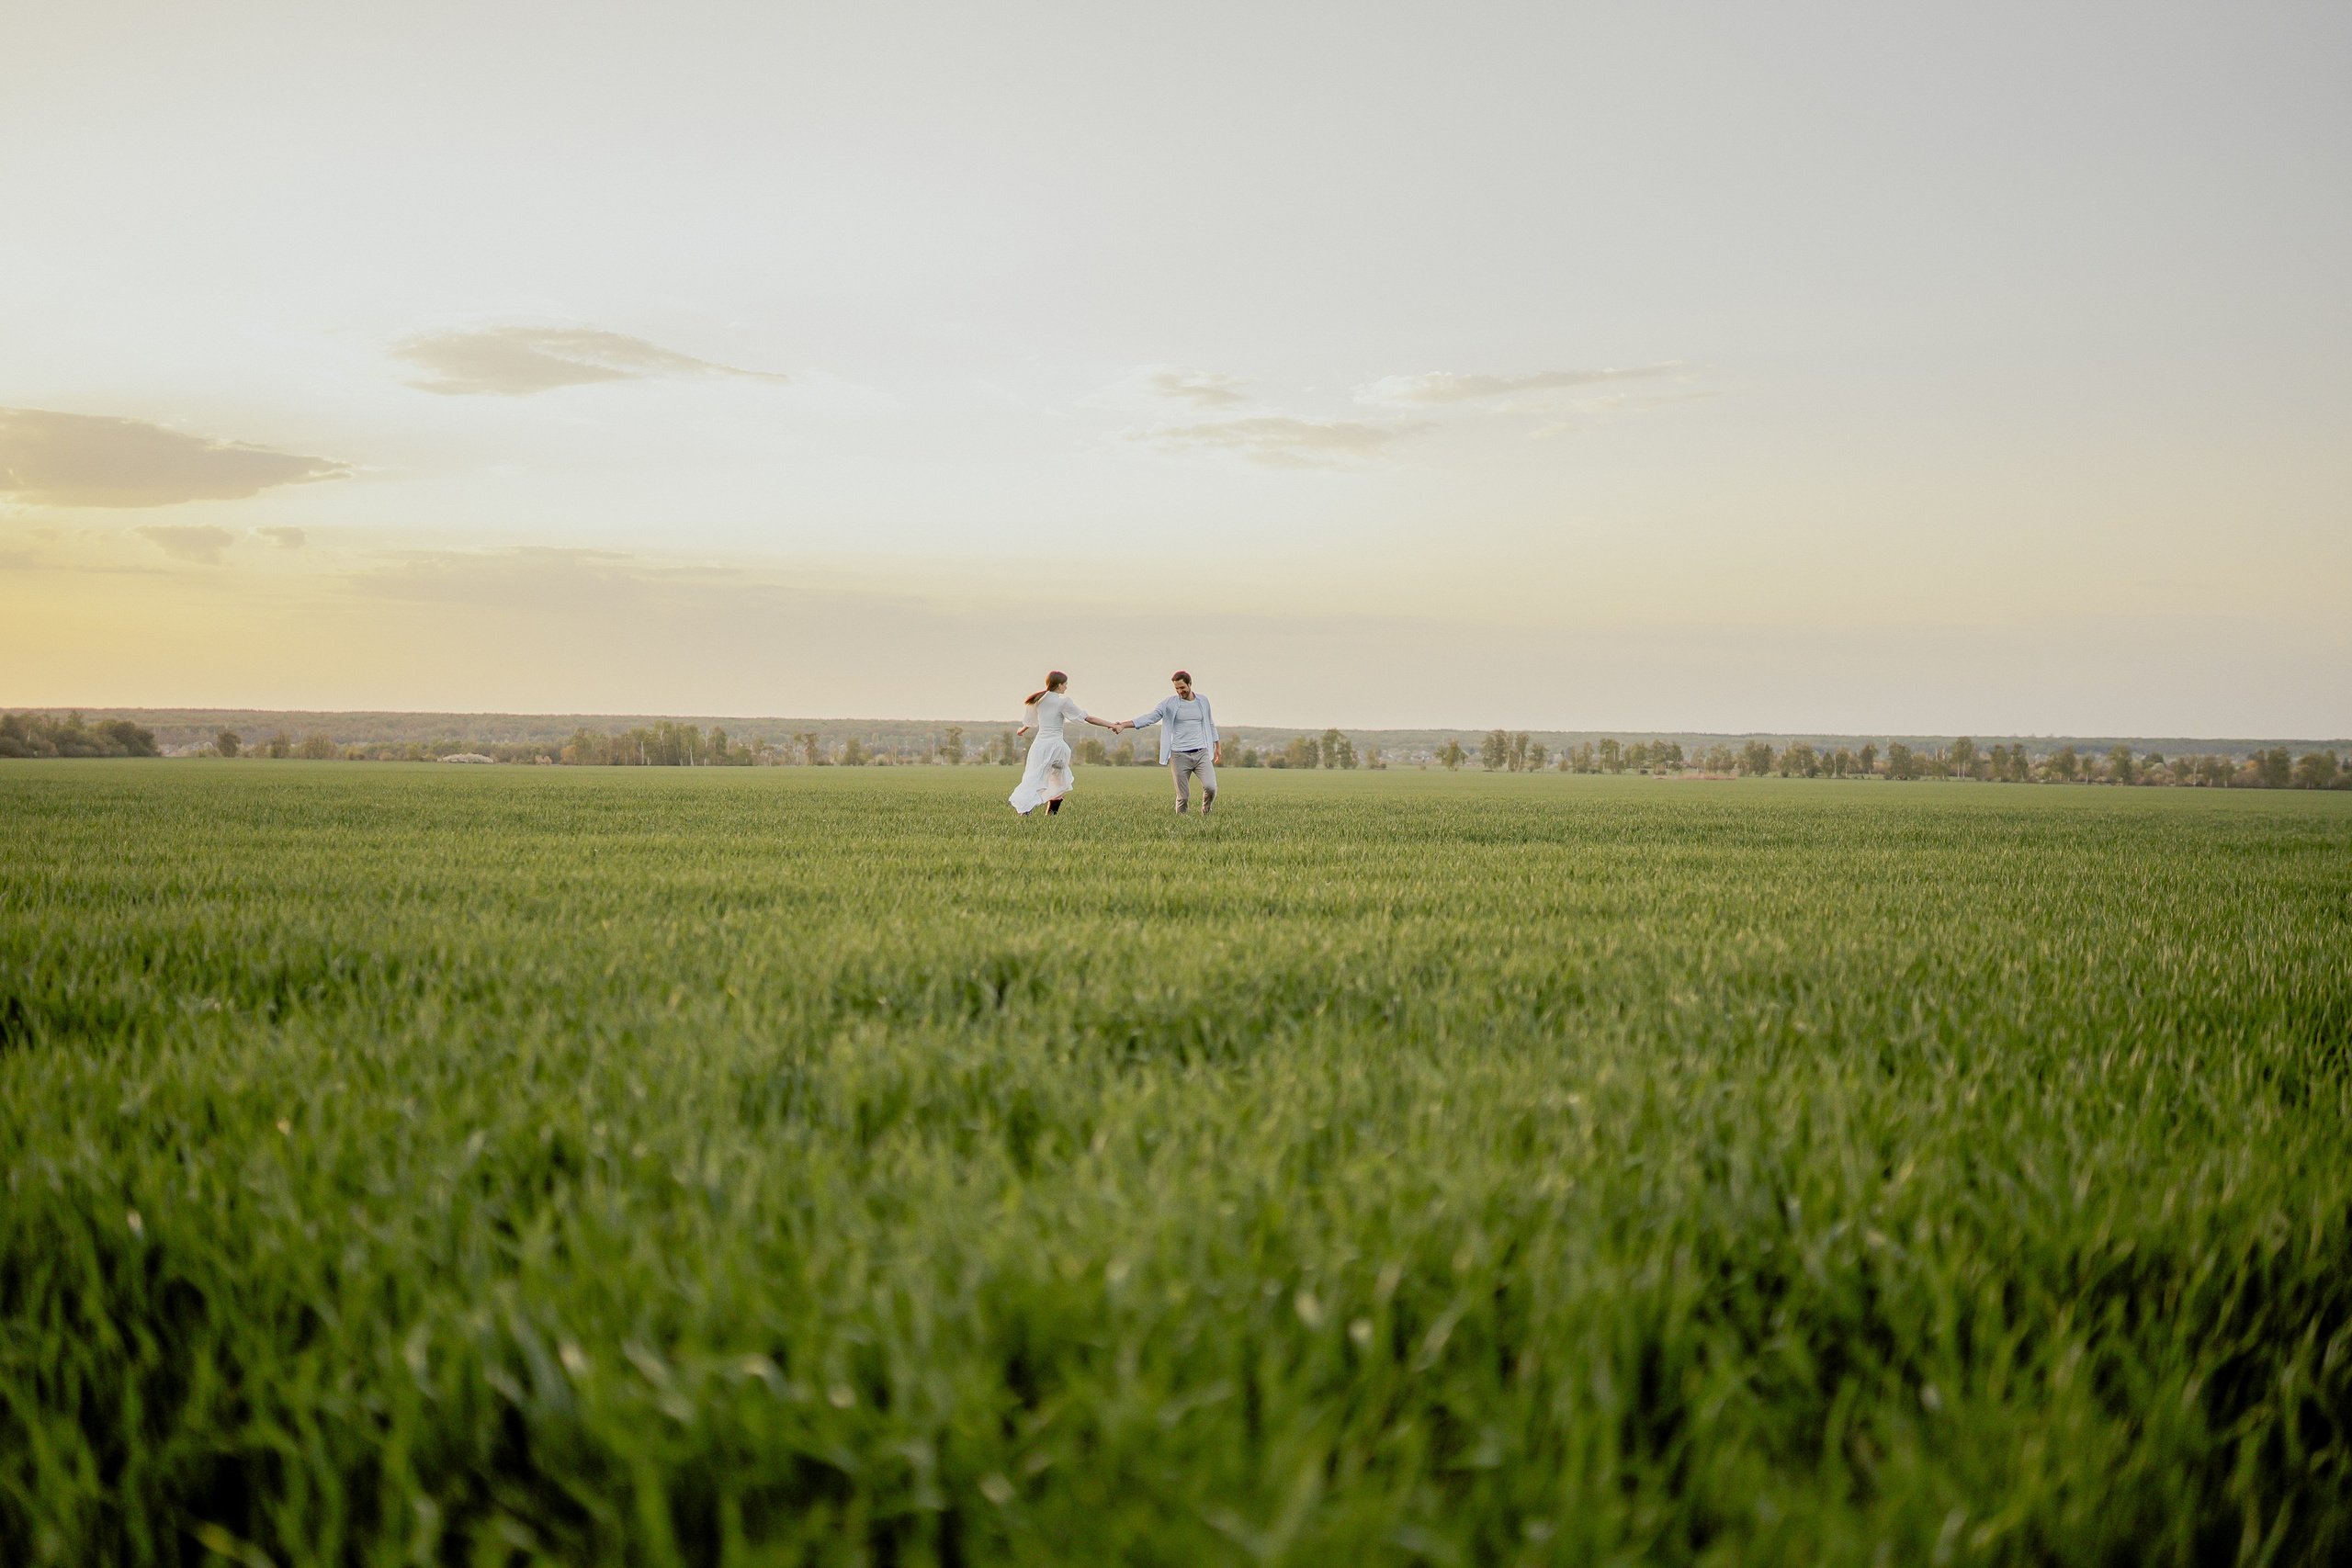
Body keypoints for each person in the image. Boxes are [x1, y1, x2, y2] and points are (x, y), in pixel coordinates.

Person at [1009, 671, 1119, 817]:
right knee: (1061, 780)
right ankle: (1043, 813)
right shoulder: (1062, 703)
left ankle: (1029, 811)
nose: (1066, 687)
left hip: (1039, 747)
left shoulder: (1038, 701)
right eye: (1065, 684)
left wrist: (1021, 730)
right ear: (1059, 685)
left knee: (1035, 778)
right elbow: (1087, 718)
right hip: (1056, 747)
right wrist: (1112, 724)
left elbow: (1030, 721)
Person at [1116, 670, 1220, 816]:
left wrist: (1217, 745)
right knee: (1183, 797)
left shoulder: (1203, 701)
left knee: (1211, 787)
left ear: (1190, 684)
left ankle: (1206, 811)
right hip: (1179, 755)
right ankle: (1182, 824)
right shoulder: (1169, 704)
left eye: (1182, 688)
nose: (1180, 691)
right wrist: (1124, 725)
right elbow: (1149, 718)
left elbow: (1210, 723)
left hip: (1201, 752)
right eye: (1177, 689)